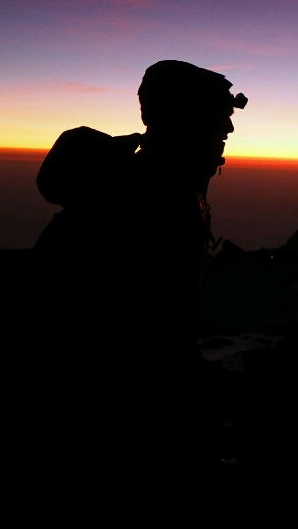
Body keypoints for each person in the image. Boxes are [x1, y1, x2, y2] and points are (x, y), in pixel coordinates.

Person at [31, 60, 247, 458]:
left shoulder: (158, 183)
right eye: (220, 114)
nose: (229, 128)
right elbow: (138, 328)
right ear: (186, 118)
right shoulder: (150, 197)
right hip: (120, 412)